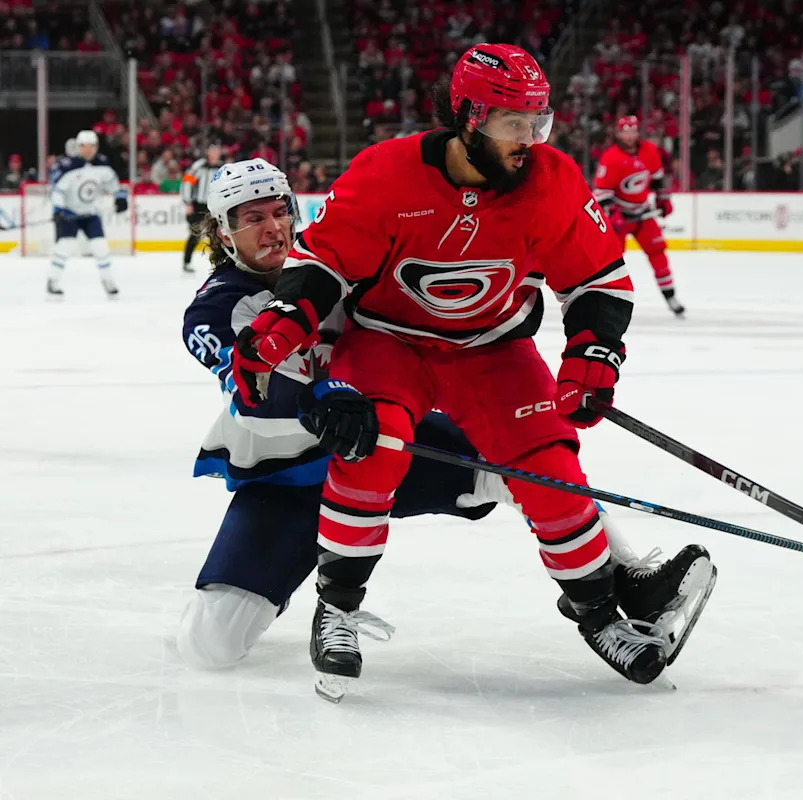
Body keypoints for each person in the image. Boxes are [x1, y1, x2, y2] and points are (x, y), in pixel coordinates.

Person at [231, 45, 716, 701]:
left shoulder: (554, 181)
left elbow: (600, 277)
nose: (530, 140)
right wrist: (284, 327)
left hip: (492, 350)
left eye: (537, 122)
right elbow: (324, 266)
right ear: (468, 116)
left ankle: (598, 614)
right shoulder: (386, 174)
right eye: (514, 123)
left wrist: (592, 355)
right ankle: (338, 606)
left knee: (550, 472)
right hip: (389, 343)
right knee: (371, 448)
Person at [593, 116, 684, 317]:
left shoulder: (649, 151)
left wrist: (663, 199)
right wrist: (614, 213)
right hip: (619, 219)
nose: (629, 135)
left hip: (643, 214)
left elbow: (658, 179)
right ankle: (605, 301)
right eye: (625, 131)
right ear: (617, 133)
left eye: (632, 130)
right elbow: (602, 192)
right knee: (611, 261)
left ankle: (670, 296)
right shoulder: (611, 158)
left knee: (658, 252)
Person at [46, 130, 128, 297]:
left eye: (92, 146)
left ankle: (108, 281)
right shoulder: (67, 166)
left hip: (90, 213)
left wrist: (120, 197)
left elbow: (113, 183)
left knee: (101, 247)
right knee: (64, 247)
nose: (88, 150)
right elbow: (56, 191)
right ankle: (53, 281)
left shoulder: (103, 164)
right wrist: (58, 209)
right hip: (69, 214)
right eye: (84, 146)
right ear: (78, 147)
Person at [181, 144, 225, 274]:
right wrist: (188, 202)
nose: (215, 153)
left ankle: (218, 261)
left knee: (217, 235)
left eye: (217, 151)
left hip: (215, 206)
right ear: (208, 152)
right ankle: (187, 261)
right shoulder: (199, 166)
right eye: (212, 151)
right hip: (199, 205)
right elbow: (187, 182)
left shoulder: (222, 168)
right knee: (196, 234)